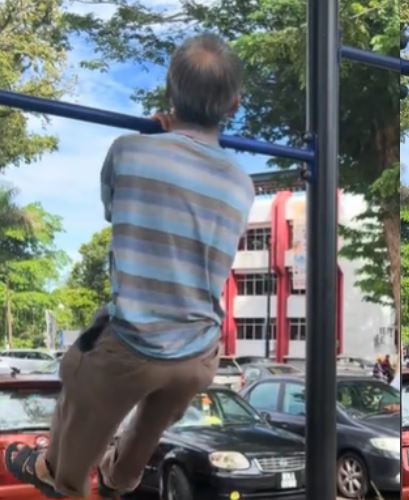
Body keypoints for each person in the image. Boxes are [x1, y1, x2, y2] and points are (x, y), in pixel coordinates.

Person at [4, 34, 255, 499]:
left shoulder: (129, 151)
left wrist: (155, 140)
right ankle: (121, 477)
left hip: (134, 346)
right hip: (199, 354)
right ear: (233, 105)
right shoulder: (243, 185)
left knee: (77, 371)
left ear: (168, 93)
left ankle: (56, 471)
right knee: (149, 423)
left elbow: (114, 212)